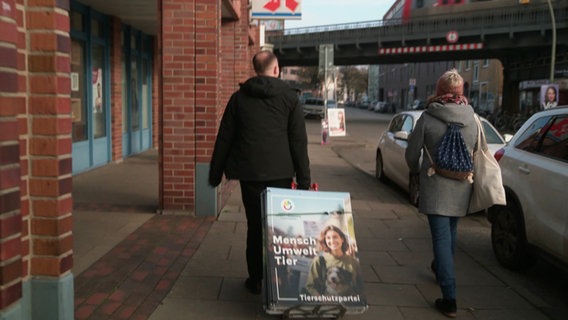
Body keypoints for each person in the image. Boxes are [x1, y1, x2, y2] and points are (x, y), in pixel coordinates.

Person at [208, 50, 311, 295]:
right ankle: (282, 280)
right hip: (281, 175)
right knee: (281, 227)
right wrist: (304, 179)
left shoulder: (239, 99)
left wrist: (215, 173)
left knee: (255, 226)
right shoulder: (289, 98)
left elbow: (225, 137)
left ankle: (255, 279)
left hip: (250, 175)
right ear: (276, 69)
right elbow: (298, 141)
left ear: (256, 70)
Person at [405, 69, 481, 318]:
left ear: (439, 92)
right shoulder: (473, 118)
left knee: (440, 238)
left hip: (435, 184)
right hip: (462, 186)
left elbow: (411, 153)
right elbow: (479, 150)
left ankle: (449, 298)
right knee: (450, 234)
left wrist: (415, 171)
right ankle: (440, 267)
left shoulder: (428, 117)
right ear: (461, 92)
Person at [304, 225, 363, 296]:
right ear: (325, 241)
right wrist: (322, 299)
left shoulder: (353, 262)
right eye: (328, 238)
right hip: (326, 304)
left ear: (342, 239)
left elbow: (360, 286)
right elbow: (310, 286)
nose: (332, 241)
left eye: (335, 237)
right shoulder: (319, 260)